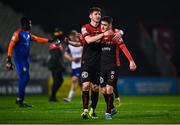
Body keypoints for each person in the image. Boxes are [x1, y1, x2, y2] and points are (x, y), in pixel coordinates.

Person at [80, 7, 121, 119]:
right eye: (95, 14)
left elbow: (116, 31)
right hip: (87, 62)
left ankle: (92, 110)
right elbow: (88, 40)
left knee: (95, 88)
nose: (98, 15)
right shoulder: (85, 27)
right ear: (90, 16)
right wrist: (103, 35)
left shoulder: (102, 26)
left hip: (99, 64)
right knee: (85, 85)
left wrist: (120, 32)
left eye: (99, 14)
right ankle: (84, 110)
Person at [5, 17, 56, 107]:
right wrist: (8, 59)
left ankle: (20, 99)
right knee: (25, 78)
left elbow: (37, 39)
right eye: (29, 23)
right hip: (20, 59)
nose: (30, 25)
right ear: (24, 24)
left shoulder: (27, 34)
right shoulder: (17, 34)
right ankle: (20, 99)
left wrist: (49, 40)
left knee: (26, 78)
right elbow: (10, 46)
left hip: (26, 60)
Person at [100, 16, 137, 120]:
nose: (102, 27)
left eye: (105, 25)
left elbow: (123, 47)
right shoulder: (98, 34)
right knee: (103, 90)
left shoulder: (115, 35)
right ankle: (112, 108)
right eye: (101, 24)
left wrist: (131, 61)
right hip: (101, 67)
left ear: (110, 25)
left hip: (113, 65)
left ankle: (107, 113)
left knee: (109, 89)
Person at [63, 30, 83, 102]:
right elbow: (65, 54)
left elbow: (87, 53)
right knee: (77, 82)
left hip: (82, 65)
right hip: (75, 66)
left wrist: (79, 58)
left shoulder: (82, 43)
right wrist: (71, 59)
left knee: (79, 82)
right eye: (71, 35)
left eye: (73, 35)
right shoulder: (69, 46)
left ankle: (70, 97)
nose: (72, 37)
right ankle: (70, 98)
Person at [48, 28, 65, 102]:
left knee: (58, 80)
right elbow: (55, 55)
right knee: (58, 80)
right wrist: (61, 65)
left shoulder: (56, 41)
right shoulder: (57, 41)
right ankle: (52, 96)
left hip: (55, 64)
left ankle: (52, 96)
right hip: (55, 65)